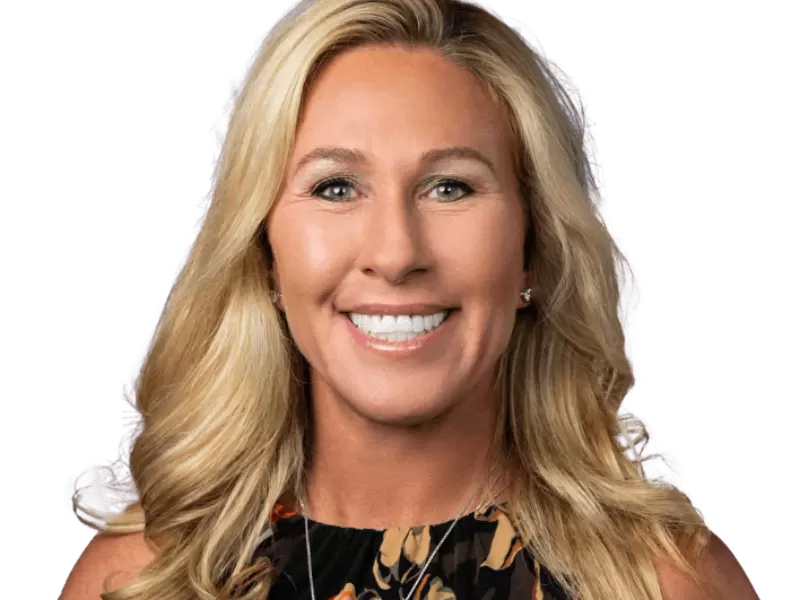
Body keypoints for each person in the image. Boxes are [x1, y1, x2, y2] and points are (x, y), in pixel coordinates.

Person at [59, 1, 759, 599]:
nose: (395, 255)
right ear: (265, 254)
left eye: (450, 187)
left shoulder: (663, 583)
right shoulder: (142, 581)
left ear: (534, 248)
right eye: (336, 187)